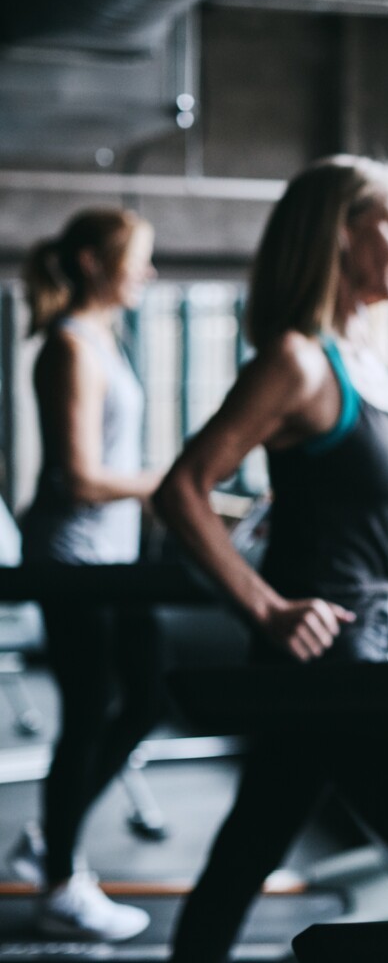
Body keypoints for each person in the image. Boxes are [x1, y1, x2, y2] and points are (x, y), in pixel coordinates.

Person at [153, 154, 388, 962]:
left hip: (362, 655)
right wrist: (264, 606)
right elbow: (183, 489)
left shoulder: (368, 367)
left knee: (246, 851)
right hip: (325, 665)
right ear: (340, 232)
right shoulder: (296, 361)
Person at [12, 208, 161, 941]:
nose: (149, 272)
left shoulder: (102, 337)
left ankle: (52, 838)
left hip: (113, 559)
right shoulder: (70, 344)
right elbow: (77, 478)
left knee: (147, 696)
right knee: (91, 710)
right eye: (139, 259)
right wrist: (169, 484)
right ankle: (62, 886)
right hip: (74, 559)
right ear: (95, 262)